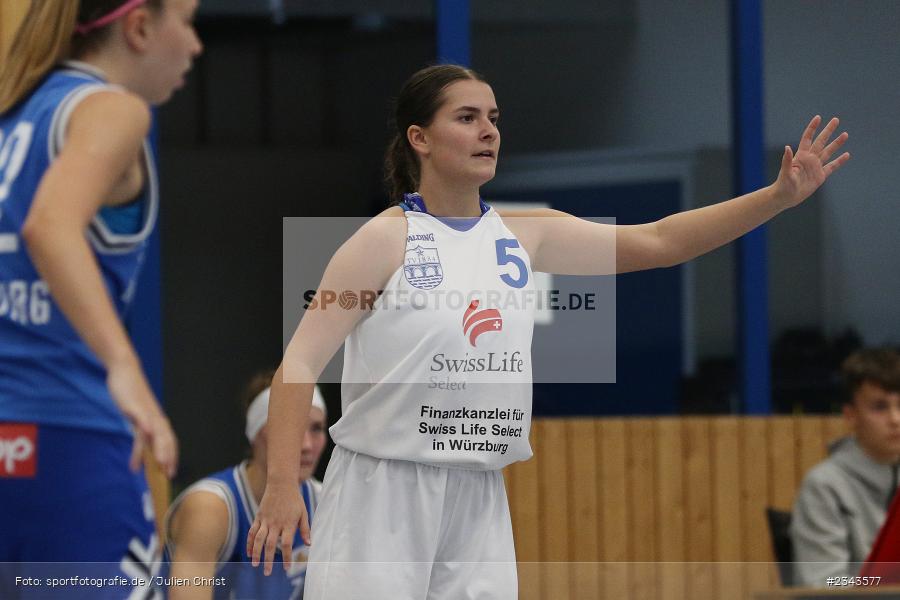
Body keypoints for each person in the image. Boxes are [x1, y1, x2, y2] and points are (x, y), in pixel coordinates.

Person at [248, 64, 850, 599]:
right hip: (384, 488)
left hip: (480, 487)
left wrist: (776, 198)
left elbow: (661, 241)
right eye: (467, 117)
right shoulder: (383, 239)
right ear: (420, 138)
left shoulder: (526, 230)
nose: (489, 131)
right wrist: (281, 485)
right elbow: (298, 365)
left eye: (494, 117)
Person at [0, 0, 201, 596]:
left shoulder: (14, 118)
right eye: (187, 22)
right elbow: (50, 225)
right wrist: (124, 368)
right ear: (139, 27)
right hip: (67, 438)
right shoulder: (112, 110)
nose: (195, 45)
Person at [165, 371, 328, 599]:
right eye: (291, 429)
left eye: (317, 429)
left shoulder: (325, 502)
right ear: (255, 435)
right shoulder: (210, 508)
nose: (307, 445)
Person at [791, 348, 900, 586]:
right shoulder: (824, 486)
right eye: (880, 407)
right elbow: (824, 582)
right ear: (851, 415)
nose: (895, 419)